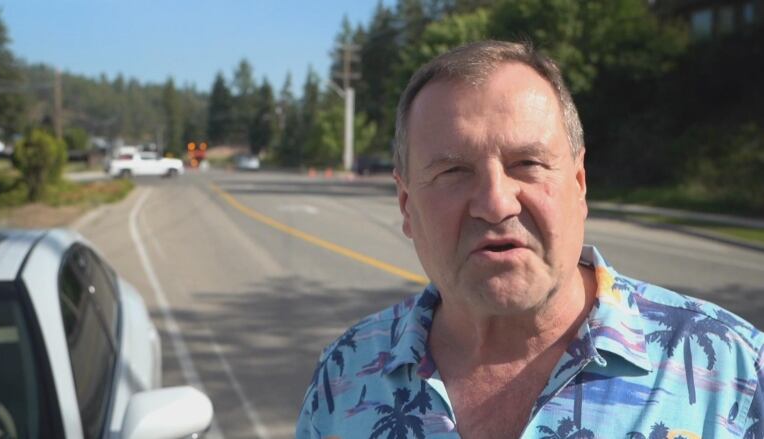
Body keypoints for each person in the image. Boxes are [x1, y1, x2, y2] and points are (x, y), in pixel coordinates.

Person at [296, 41, 764, 438]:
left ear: (579, 184)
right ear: (405, 206)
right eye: (454, 171)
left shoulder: (735, 369)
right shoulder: (345, 374)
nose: (497, 203)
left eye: (528, 164)